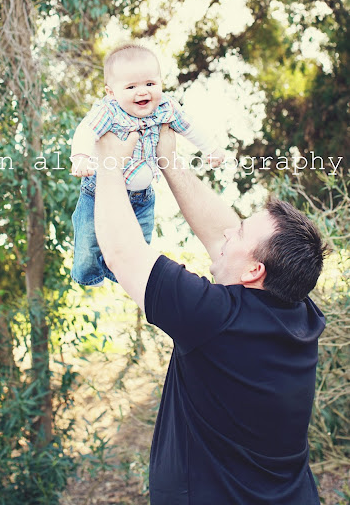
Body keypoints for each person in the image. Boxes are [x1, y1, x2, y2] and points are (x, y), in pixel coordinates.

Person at [93, 125, 327, 505]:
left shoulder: (216, 318)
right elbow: (223, 236)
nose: (229, 234)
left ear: (254, 271)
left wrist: (108, 161)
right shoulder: (301, 313)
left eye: (240, 233)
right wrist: (168, 159)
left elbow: (122, 253)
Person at [70, 43, 221, 287]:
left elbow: (190, 127)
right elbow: (86, 130)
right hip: (99, 190)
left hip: (142, 195)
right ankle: (90, 275)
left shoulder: (165, 107)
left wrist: (211, 148)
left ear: (160, 82)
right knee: (89, 239)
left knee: (139, 242)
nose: (142, 92)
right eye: (131, 87)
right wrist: (81, 157)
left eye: (150, 84)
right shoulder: (109, 111)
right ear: (111, 92)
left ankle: (121, 275)